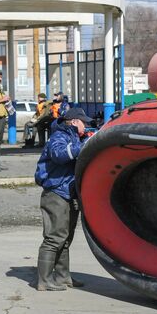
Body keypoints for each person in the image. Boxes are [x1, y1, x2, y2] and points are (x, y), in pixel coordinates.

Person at [34, 107, 93, 291]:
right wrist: (85, 144)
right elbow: (59, 155)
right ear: (74, 122)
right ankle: (44, 280)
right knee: (54, 238)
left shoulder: (75, 137)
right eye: (84, 122)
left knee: (65, 238)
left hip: (68, 192)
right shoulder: (59, 136)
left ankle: (62, 277)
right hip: (56, 192)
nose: (87, 126)